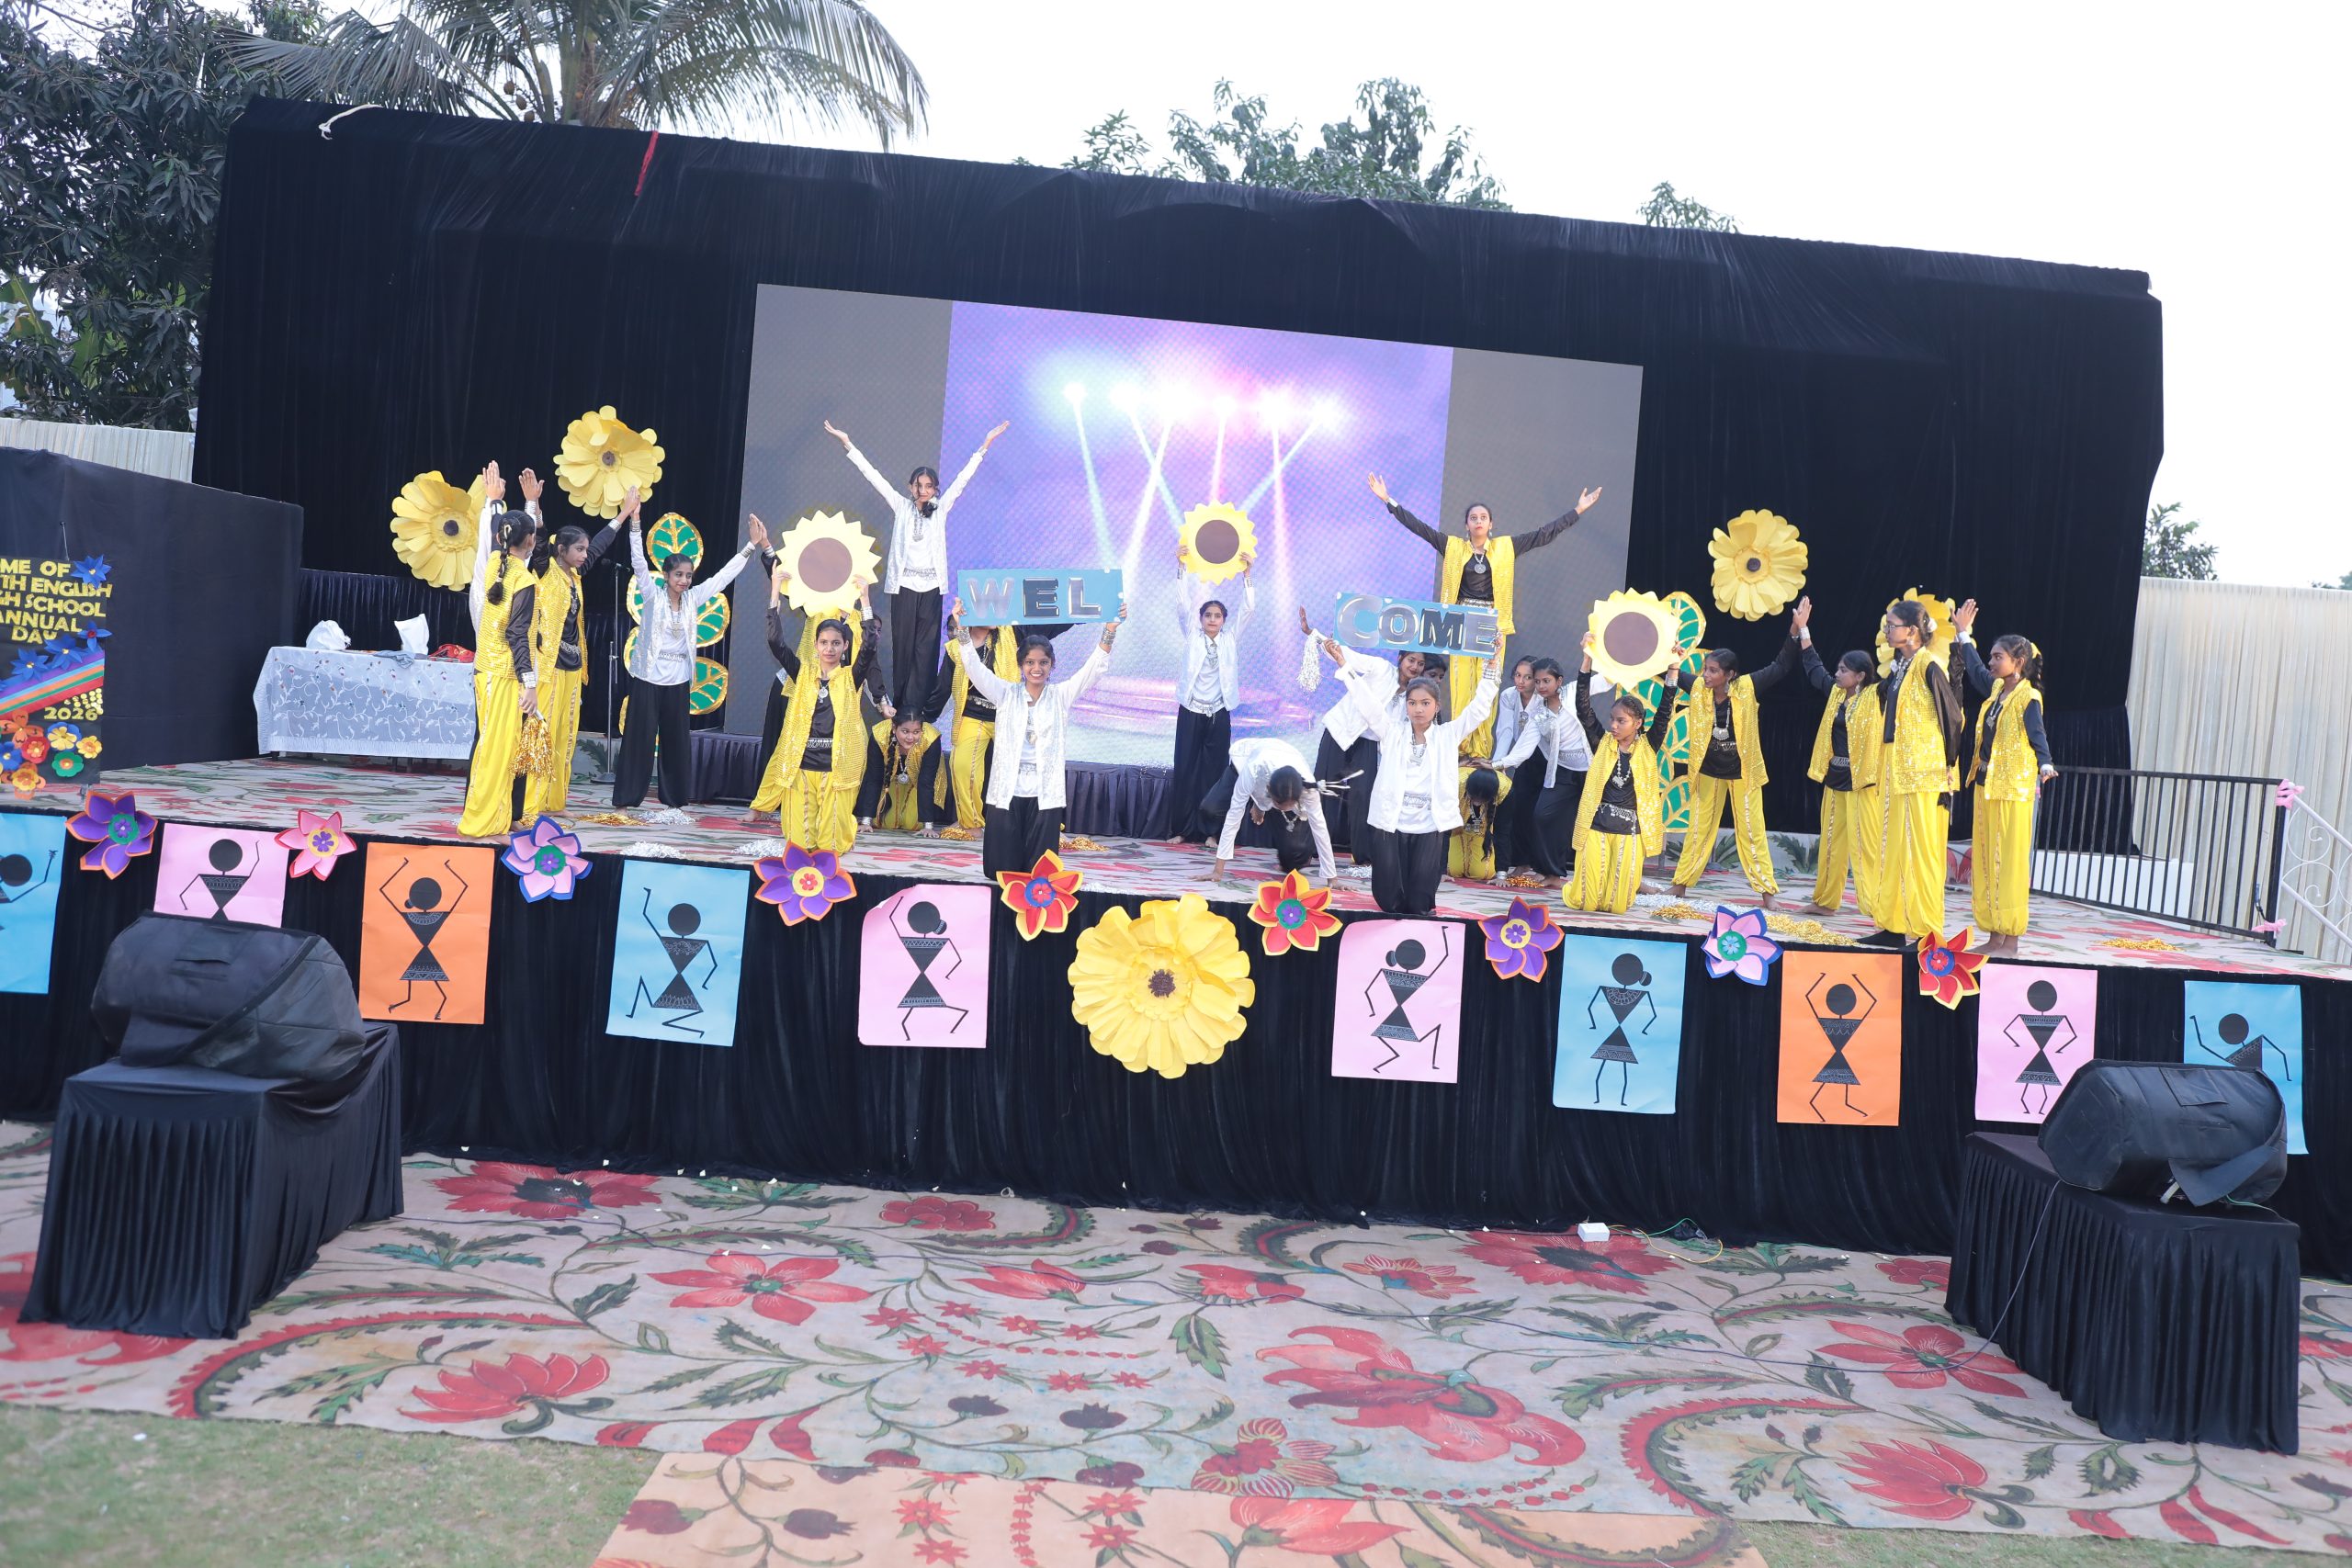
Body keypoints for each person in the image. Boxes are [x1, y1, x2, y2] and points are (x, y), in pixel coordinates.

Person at [1366, 471, 1602, 754]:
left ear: (1491, 524)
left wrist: (1577, 510)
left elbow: (1544, 534)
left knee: (1487, 684)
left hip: (1492, 624)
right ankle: (1461, 748)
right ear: (1466, 525)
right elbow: (1418, 526)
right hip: (1460, 622)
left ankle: (1481, 750)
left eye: (1483, 517)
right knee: (1462, 685)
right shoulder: (1452, 546)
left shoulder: (1506, 547)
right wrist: (1387, 500)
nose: (1478, 521)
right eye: (1473, 517)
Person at [824, 416, 1009, 716]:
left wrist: (985, 445)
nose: (923, 490)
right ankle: (901, 712)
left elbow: (963, 479)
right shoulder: (900, 506)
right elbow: (873, 476)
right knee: (904, 648)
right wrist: (847, 443)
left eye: (929, 486)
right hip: (904, 587)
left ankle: (918, 713)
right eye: (918, 485)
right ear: (911, 487)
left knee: (926, 652)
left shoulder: (941, 508)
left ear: (935, 489)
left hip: (932, 587)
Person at [947, 595, 1127, 877]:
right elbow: (973, 666)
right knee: (1002, 872)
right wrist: (961, 627)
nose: (1036, 668)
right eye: (1030, 662)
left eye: (1043, 662)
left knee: (1039, 873)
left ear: (1052, 665)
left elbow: (1093, 668)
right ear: (1021, 665)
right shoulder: (1005, 694)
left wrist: (1110, 629)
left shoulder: (1060, 696)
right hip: (1006, 794)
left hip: (1044, 795)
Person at [615, 487, 765, 811]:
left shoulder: (694, 599)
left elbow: (723, 577)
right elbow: (638, 561)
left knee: (675, 741)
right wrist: (635, 521)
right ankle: (626, 800)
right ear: (666, 575)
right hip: (648, 677)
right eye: (679, 575)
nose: (684, 580)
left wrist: (751, 546)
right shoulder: (652, 595)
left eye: (688, 575)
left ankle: (674, 801)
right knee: (639, 740)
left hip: (678, 679)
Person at [1334, 645, 1501, 913]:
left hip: (1429, 822)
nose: (1418, 709)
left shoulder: (1447, 735)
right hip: (1392, 819)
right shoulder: (1391, 731)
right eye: (1412, 703)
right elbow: (1367, 704)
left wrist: (1491, 667)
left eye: (1425, 703)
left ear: (1437, 706)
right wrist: (1345, 666)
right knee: (1388, 893)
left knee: (1421, 896)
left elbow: (1480, 708)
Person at [1666, 600, 1807, 906]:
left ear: (1730, 674)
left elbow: (1781, 666)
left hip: (1743, 773)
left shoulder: (1747, 687)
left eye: (1713, 671)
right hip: (1708, 771)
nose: (1706, 675)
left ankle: (1767, 892)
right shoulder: (1699, 689)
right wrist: (1670, 658)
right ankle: (1680, 884)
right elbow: (1672, 675)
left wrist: (1795, 631)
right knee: (1698, 829)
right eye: (1705, 669)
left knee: (1752, 831)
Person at [746, 552, 877, 849]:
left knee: (831, 846)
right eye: (824, 643)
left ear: (845, 646)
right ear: (815, 645)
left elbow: (869, 646)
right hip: (802, 764)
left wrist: (865, 600)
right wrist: (774, 592)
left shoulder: (850, 677)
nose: (829, 648)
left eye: (835, 643)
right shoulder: (802, 673)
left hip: (836, 766)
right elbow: (775, 642)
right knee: (799, 845)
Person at [1952, 604, 2054, 953]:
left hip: (2012, 790)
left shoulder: (2029, 697)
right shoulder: (1998, 691)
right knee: (1986, 860)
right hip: (1986, 785)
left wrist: (2045, 764)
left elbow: (2037, 733)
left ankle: (2010, 940)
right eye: (1992, 657)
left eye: (1998, 657)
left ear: (2018, 662)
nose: (1992, 662)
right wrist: (1963, 633)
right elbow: (1975, 669)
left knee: (2008, 863)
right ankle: (1994, 936)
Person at [1864, 597, 1967, 945]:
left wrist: (1948, 767)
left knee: (1921, 854)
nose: (1886, 630)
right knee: (1893, 849)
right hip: (1896, 769)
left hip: (1923, 774)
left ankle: (1927, 933)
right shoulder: (1901, 667)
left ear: (1911, 631)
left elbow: (1952, 718)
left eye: (1891, 625)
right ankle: (1893, 928)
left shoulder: (1928, 667)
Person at [1297, 606, 1427, 866]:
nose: (1414, 666)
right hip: (1339, 732)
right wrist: (1312, 633)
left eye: (1420, 664)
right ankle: (1310, 849)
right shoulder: (1381, 668)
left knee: (1364, 796)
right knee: (1324, 789)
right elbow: (1346, 656)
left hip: (1368, 743)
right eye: (1411, 660)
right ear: (1400, 658)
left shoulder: (1414, 695)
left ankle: (1363, 855)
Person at [1561, 635, 1681, 914]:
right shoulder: (1602, 742)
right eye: (1612, 720)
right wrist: (1587, 659)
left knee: (1617, 906)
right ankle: (1574, 889)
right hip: (1597, 826)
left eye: (1621, 721)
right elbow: (1583, 708)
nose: (1613, 725)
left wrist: (1674, 668)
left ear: (1637, 723)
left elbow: (1664, 711)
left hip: (1630, 831)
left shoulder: (1648, 747)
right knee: (1586, 902)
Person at [523, 494, 624, 818]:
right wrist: (533, 505)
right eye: (578, 549)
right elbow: (539, 540)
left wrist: (623, 515)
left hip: (573, 664)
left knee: (565, 736)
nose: (583, 555)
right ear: (561, 550)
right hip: (548, 664)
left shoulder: (575, 576)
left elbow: (600, 545)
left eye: (584, 550)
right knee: (543, 733)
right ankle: (531, 802)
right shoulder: (545, 569)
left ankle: (554, 802)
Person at [457, 462, 540, 838]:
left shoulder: (494, 563)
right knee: (498, 750)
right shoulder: (522, 579)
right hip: (506, 676)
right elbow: (518, 636)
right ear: (532, 541)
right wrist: (530, 684)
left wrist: (493, 501)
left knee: (491, 746)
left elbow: (495, 536)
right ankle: (485, 819)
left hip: (485, 673)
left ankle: (493, 814)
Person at [1164, 545, 1255, 840]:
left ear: (1224, 620)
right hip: (1191, 709)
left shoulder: (1230, 639)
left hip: (1219, 711)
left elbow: (1249, 610)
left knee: (1215, 774)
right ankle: (1181, 830)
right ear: (1201, 619)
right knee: (1186, 770)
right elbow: (1181, 605)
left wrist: (1247, 575)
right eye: (1208, 615)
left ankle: (1211, 833)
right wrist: (1180, 567)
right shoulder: (1192, 635)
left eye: (1218, 616)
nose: (1213, 619)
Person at [1799, 636, 1884, 916]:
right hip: (1835, 777)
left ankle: (1876, 907)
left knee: (1865, 847)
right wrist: (1804, 633)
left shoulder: (1876, 697)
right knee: (1831, 843)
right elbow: (1815, 671)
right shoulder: (1836, 694)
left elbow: (1901, 680)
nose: (1837, 674)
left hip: (1862, 782)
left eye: (1844, 670)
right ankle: (1825, 902)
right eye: (1838, 668)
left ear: (1860, 676)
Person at [1493, 656, 1596, 884]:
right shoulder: (1537, 713)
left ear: (1559, 681)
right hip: (1559, 769)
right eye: (1537, 681)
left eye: (1544, 681)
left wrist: (1590, 655)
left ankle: (1611, 877)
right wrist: (1496, 765)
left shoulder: (1571, 692)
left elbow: (1603, 681)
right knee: (1542, 814)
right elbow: (1520, 745)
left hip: (1592, 769)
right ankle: (1550, 871)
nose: (1539, 686)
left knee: (1596, 822)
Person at [1204, 737, 1337, 885]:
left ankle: (1263, 806)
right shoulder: (1252, 770)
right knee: (1211, 810)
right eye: (1279, 804)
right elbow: (1234, 816)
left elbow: (1320, 829)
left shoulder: (1308, 789)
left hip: (1279, 783)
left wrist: (1332, 878)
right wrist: (1218, 871)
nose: (1285, 809)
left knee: (1292, 857)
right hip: (1248, 759)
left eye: (1289, 805)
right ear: (1269, 791)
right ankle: (1259, 805)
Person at [857, 709, 952, 836]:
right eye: (905, 731)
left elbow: (926, 782)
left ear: (922, 731)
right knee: (886, 822)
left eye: (916, 732)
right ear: (894, 728)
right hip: (888, 782)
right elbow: (874, 779)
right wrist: (866, 822)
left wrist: (928, 826)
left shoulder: (930, 738)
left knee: (912, 824)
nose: (910, 737)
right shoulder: (879, 735)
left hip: (919, 785)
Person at [1448, 764, 1511, 883]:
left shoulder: (1505, 791)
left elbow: (1503, 831)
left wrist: (1501, 875)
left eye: (1482, 800)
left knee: (1482, 873)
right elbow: (1443, 828)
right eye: (1473, 798)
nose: (1476, 803)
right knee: (1453, 871)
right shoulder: (1456, 783)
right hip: (1455, 831)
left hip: (1483, 832)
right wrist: (1440, 871)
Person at [1490, 656, 1537, 762]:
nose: (1520, 681)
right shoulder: (1508, 696)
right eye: (1518, 675)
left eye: (1528, 677)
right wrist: (1498, 761)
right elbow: (1506, 731)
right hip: (1519, 756)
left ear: (1537, 679)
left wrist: (1504, 763)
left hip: (1543, 753)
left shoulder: (1544, 699)